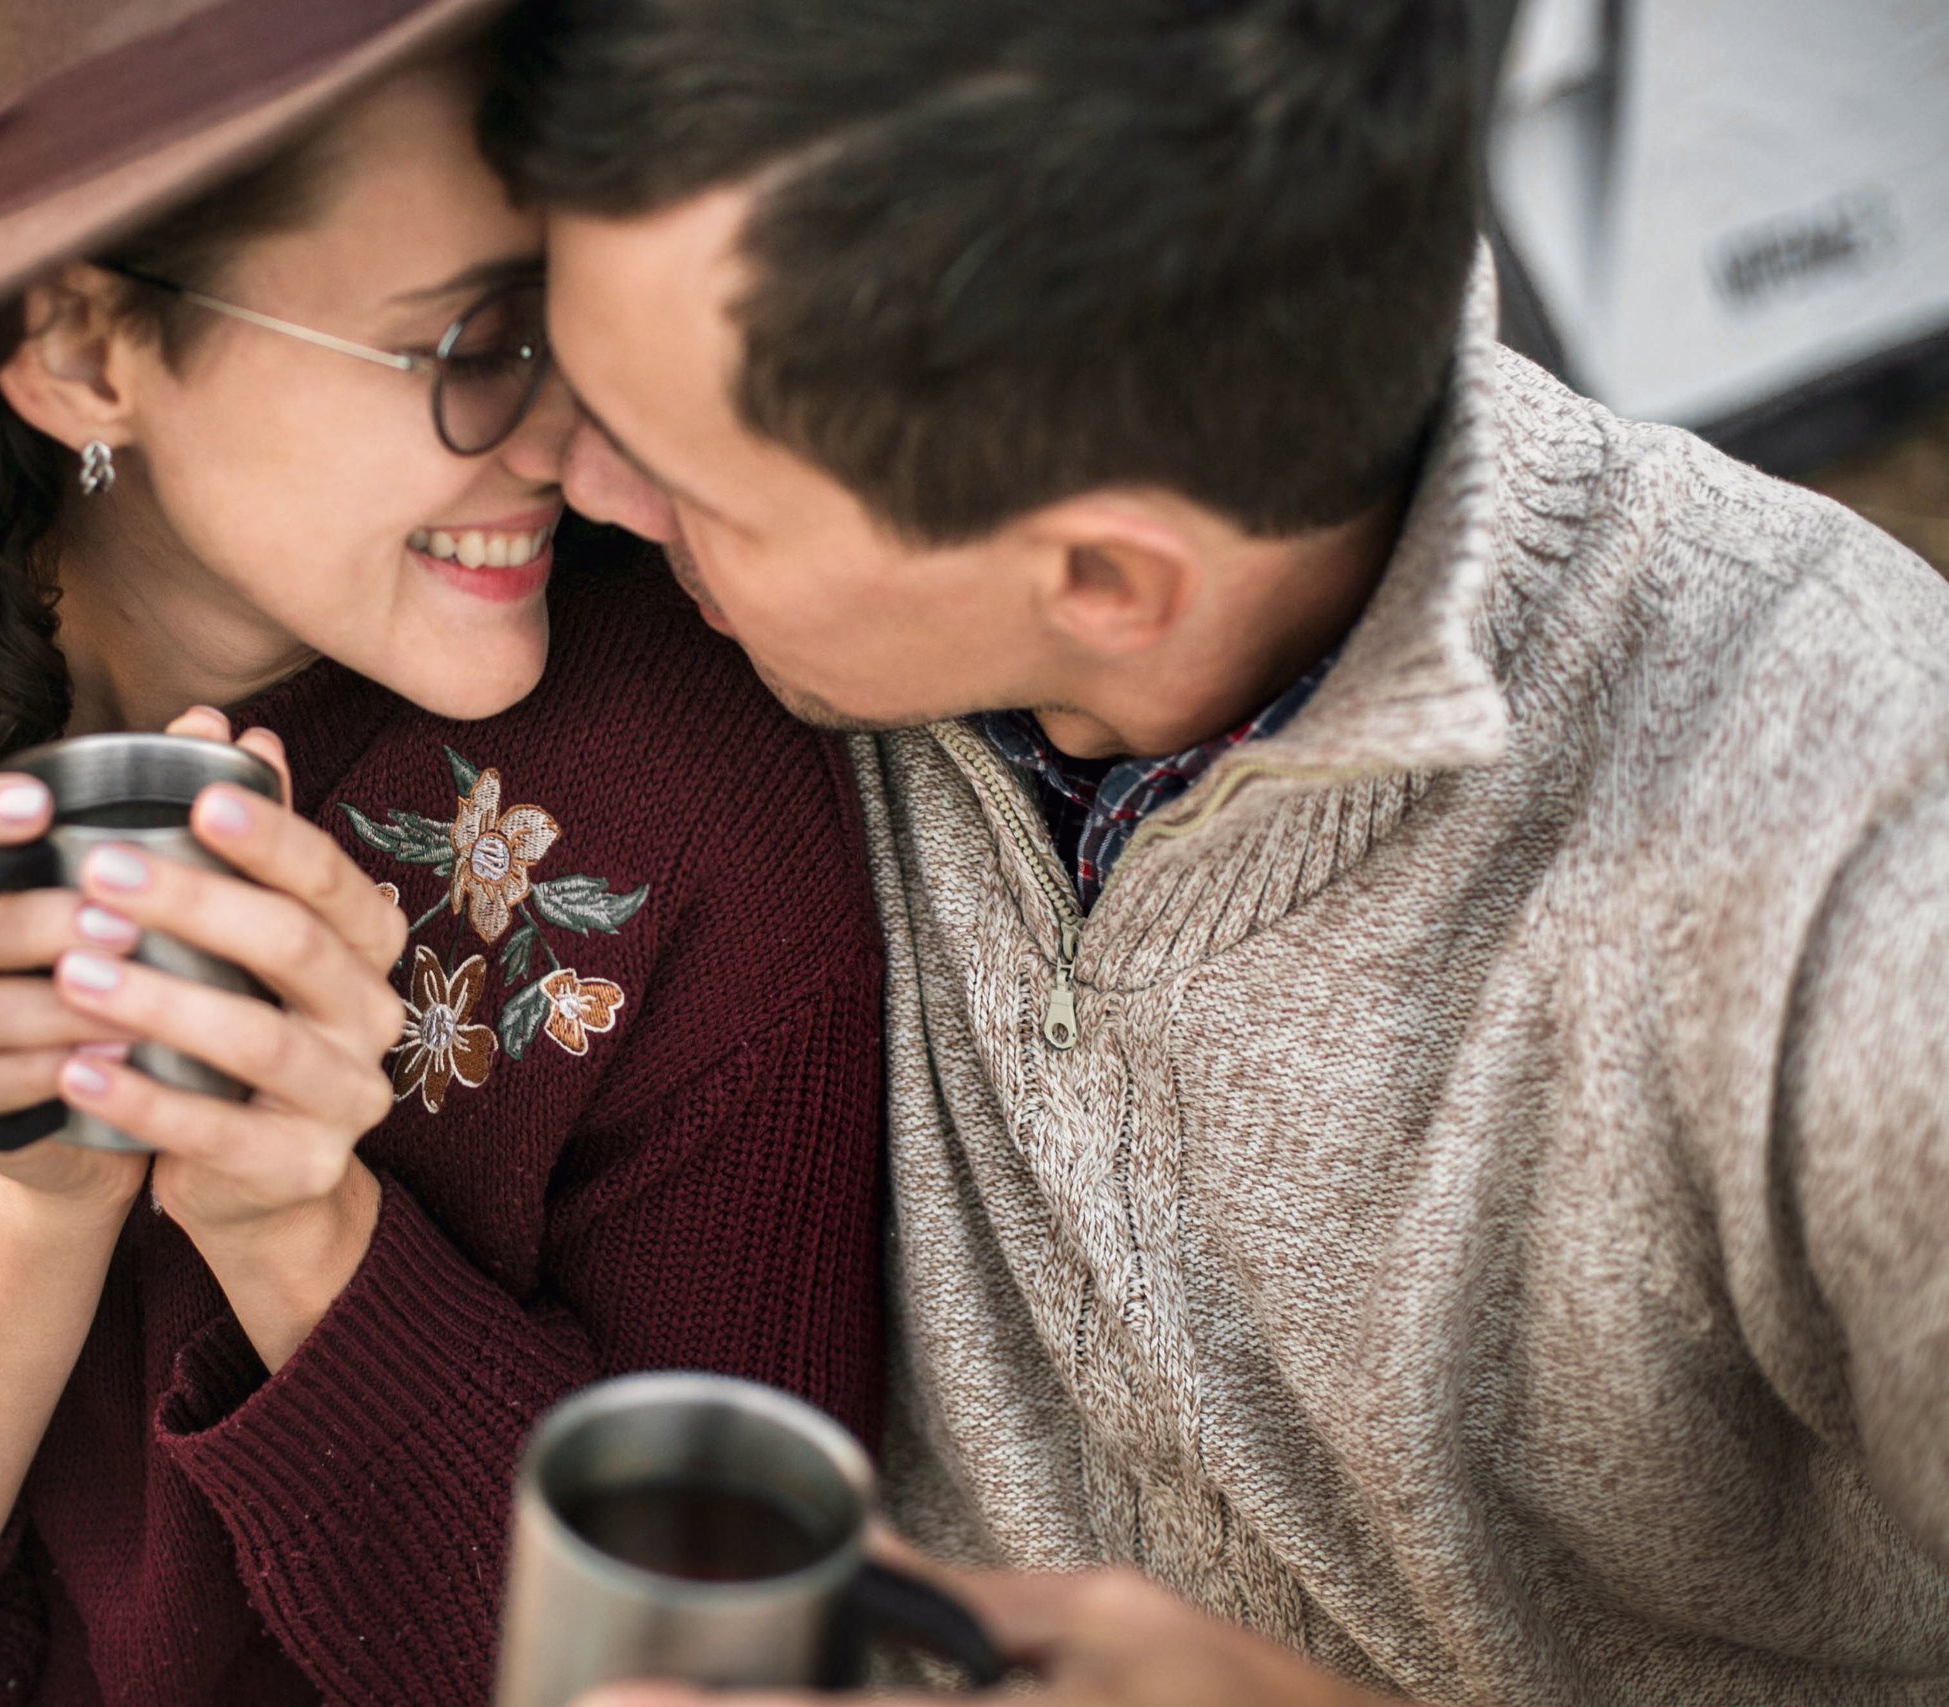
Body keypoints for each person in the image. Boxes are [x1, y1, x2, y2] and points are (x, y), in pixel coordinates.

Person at [483, 0, 1949, 1701]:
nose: (573, 487)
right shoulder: (811, 618)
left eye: (685, 482)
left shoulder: (1867, 881)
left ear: (1105, 580)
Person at [0, 3, 888, 1703]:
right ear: (87, 350)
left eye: (581, 324)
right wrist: (34, 1208)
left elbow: (727, 1657)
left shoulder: (689, 797)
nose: (580, 447)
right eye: (469, 340)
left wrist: (297, 1222)